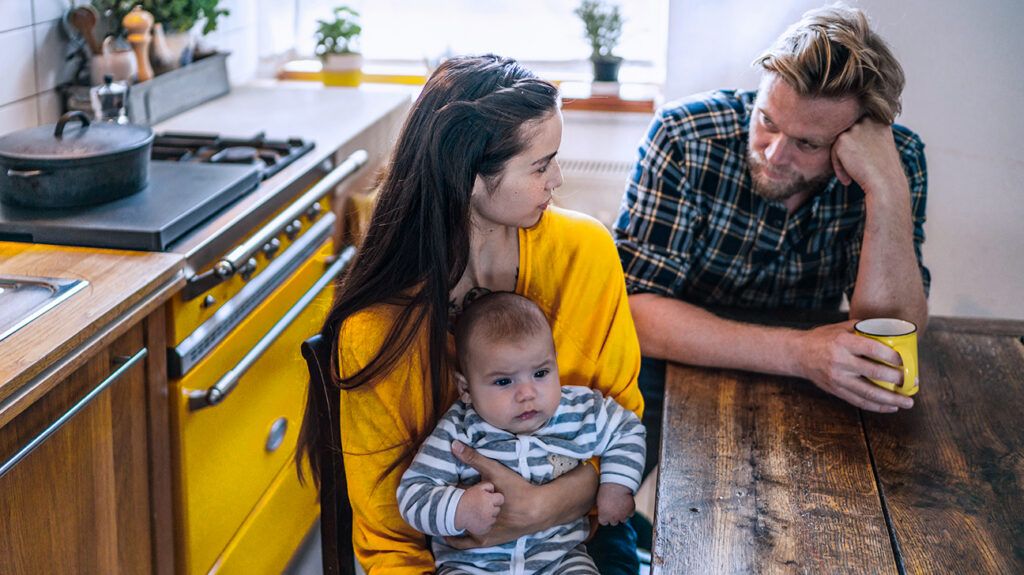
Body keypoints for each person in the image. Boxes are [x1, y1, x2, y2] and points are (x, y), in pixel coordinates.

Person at [296, 54, 645, 574]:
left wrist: (541, 507)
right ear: (471, 177)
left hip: (580, 541)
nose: (558, 179)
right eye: (540, 164)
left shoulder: (586, 254)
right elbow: (390, 536)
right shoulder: (373, 332)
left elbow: (621, 428)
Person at [614, 4, 930, 475]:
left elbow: (891, 335)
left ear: (860, 136)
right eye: (767, 121)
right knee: (606, 484)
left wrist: (885, 190)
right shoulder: (685, 136)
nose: (775, 155)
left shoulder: (895, 160)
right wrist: (798, 353)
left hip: (818, 375)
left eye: (808, 144)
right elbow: (635, 312)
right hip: (680, 356)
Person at [397, 292, 646, 575]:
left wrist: (616, 485)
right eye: (504, 381)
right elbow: (413, 494)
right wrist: (459, 508)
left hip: (558, 559)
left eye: (540, 374)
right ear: (466, 389)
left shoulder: (577, 410)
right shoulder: (460, 431)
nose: (527, 394)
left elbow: (627, 430)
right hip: (473, 565)